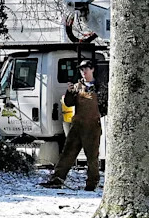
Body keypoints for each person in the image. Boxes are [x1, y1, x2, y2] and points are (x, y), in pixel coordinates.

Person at [41, 59, 107, 191]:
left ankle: (91, 184)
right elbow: (69, 103)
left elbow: (105, 105)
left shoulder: (100, 86)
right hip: (77, 126)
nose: (83, 72)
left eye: (86, 69)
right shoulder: (76, 87)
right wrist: (70, 92)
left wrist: (97, 117)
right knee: (67, 154)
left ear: (92, 69)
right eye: (81, 70)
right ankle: (57, 180)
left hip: (92, 127)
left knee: (92, 157)